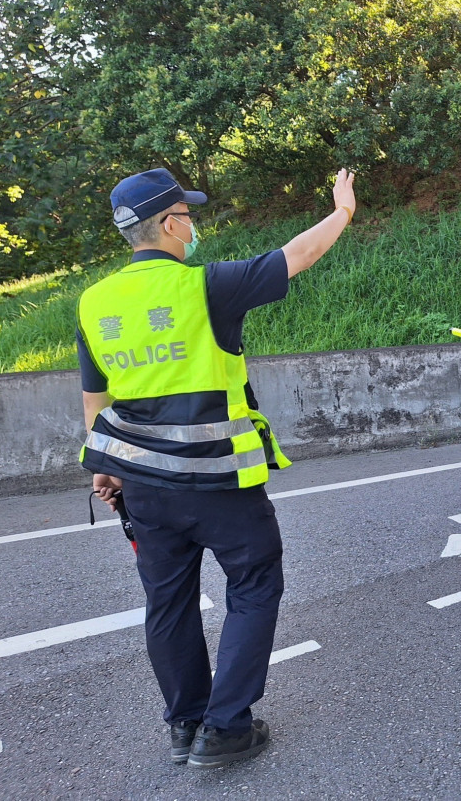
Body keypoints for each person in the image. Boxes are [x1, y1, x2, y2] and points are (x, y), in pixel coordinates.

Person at [77, 167, 357, 768]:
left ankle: (184, 726)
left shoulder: (95, 303)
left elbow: (95, 400)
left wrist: (105, 466)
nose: (192, 224)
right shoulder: (206, 286)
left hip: (144, 490)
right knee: (254, 586)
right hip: (219, 483)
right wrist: (342, 213)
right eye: (188, 214)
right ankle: (226, 728)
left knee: (168, 602)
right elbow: (296, 255)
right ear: (171, 223)